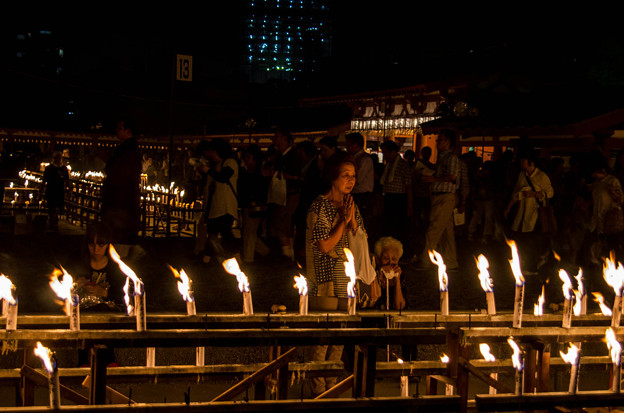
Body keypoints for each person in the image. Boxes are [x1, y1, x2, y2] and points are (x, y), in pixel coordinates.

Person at [305, 151, 365, 397]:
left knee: (340, 336)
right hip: (324, 279)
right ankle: (317, 388)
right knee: (323, 338)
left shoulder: (351, 204)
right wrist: (343, 220)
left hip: (345, 280)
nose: (350, 181)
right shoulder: (320, 206)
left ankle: (331, 384)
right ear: (333, 178)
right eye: (345, 176)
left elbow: (360, 239)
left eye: (353, 176)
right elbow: (324, 245)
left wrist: (350, 220)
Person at [504, 150, 555, 274]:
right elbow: (516, 193)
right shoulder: (522, 175)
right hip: (521, 213)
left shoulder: (541, 176)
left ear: (530, 162)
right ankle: (525, 263)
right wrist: (509, 207)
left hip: (535, 214)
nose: (521, 163)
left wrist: (535, 194)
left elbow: (550, 193)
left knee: (532, 241)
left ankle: (533, 266)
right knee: (521, 239)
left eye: (524, 160)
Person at [100, 118, 143, 261]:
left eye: (119, 128)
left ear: (128, 131)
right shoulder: (124, 149)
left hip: (121, 202)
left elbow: (123, 175)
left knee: (120, 240)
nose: (116, 131)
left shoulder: (130, 151)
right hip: (118, 200)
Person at [418, 129, 461, 270]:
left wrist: (434, 178)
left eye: (440, 140)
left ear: (447, 142)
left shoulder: (451, 158)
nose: (437, 143)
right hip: (441, 197)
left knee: (434, 230)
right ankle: (450, 260)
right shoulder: (442, 157)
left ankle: (424, 260)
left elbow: (453, 176)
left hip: (444, 196)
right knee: (446, 231)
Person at [198, 138, 239, 263]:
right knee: (213, 234)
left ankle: (236, 258)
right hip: (215, 206)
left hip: (226, 206)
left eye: (212, 152)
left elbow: (223, 177)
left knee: (224, 232)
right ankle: (207, 259)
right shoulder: (215, 165)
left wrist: (208, 171)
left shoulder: (230, 163)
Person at [267, 128, 302, 261]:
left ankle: (288, 254)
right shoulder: (279, 156)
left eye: (277, 136)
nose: (274, 139)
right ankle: (289, 253)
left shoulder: (293, 155)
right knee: (283, 223)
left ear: (285, 139)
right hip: (281, 193)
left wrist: (277, 174)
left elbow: (295, 176)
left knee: (283, 222)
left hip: (290, 194)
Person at [239, 144, 270, 263]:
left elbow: (262, 189)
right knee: (248, 231)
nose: (246, 160)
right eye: (245, 157)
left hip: (256, 205)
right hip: (249, 205)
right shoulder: (247, 172)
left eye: (248, 157)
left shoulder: (260, 173)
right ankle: (265, 251)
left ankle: (248, 257)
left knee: (250, 232)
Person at [379, 140, 412, 246]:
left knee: (398, 226)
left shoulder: (403, 165)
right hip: (388, 197)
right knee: (388, 225)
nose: (385, 156)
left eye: (385, 153)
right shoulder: (389, 165)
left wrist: (409, 205)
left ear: (393, 152)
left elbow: (409, 186)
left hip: (399, 199)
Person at [345, 132, 374, 235]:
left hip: (362, 195)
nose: (347, 147)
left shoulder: (365, 159)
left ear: (356, 145)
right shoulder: (355, 158)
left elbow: (358, 179)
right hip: (356, 194)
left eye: (348, 145)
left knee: (360, 223)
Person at [368, 236, 407, 310]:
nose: (390, 263)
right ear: (378, 259)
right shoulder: (371, 273)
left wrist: (397, 281)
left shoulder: (400, 275)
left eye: (394, 259)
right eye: (386, 258)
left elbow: (399, 307)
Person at [43, 151, 69, 232]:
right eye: (57, 158)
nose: (59, 159)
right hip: (51, 189)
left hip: (59, 190)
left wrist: (69, 188)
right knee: (51, 206)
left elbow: (67, 179)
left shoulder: (64, 168)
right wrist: (42, 188)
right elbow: (44, 180)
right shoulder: (49, 168)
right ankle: (52, 221)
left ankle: (55, 222)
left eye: (60, 158)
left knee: (58, 207)